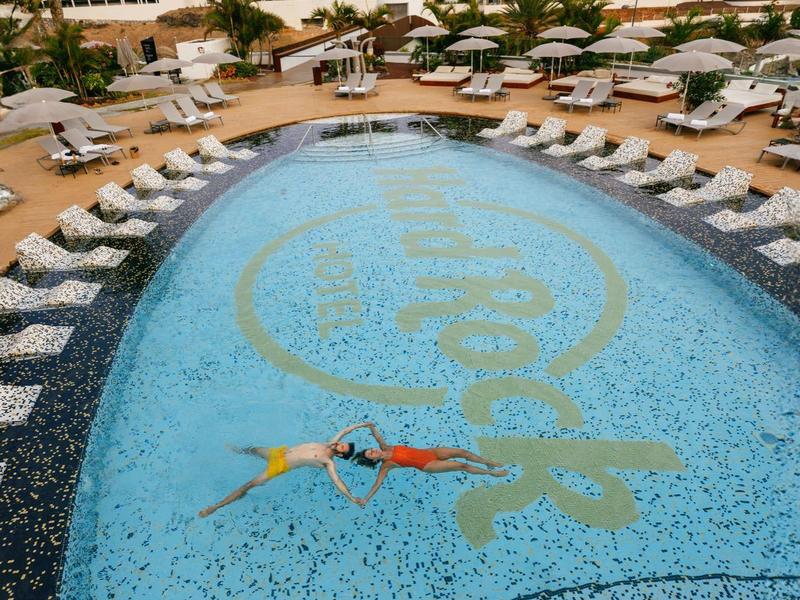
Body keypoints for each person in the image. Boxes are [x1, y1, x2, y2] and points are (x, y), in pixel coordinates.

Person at [198, 422, 370, 517]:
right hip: (278, 453)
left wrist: (352, 498)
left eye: (341, 447)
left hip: (279, 467)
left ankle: (216, 507)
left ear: (339, 455)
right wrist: (363, 425)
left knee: (249, 484)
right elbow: (345, 430)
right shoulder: (327, 443)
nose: (339, 444)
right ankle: (238, 450)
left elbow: (338, 482)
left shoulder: (328, 462)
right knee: (254, 450)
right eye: (341, 443)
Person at [351, 423, 509, 506]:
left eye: (370, 449)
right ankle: (492, 473)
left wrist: (370, 426)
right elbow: (377, 484)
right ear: (373, 460)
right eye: (371, 454)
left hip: (431, 452)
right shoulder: (386, 465)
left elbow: (378, 437)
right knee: (462, 466)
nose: (373, 451)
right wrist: (366, 499)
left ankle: (488, 463)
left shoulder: (385, 447)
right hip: (428, 464)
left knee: (463, 452)